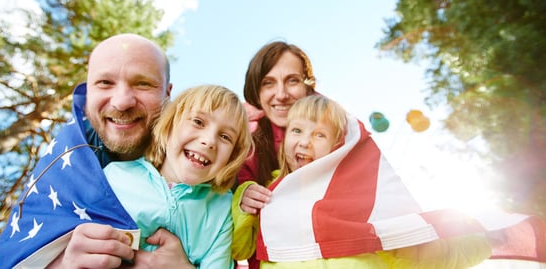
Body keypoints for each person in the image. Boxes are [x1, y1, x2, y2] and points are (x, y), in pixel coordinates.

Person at [0, 34, 194, 268]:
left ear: (167, 93)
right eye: (105, 83)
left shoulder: (208, 166)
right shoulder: (56, 171)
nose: (122, 102)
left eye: (143, 84)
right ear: (88, 93)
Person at [235, 95, 497, 268]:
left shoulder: (365, 199)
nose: (304, 141)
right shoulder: (269, 194)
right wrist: (243, 203)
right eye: (296, 130)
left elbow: (423, 254)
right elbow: (239, 248)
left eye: (319, 134)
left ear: (338, 146)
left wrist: (485, 240)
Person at [103, 85, 252, 268]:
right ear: (170, 124)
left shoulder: (221, 208)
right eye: (198, 122)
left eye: (225, 137)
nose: (209, 141)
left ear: (232, 157)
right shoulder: (116, 177)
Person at [234, 40, 317, 269]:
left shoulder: (336, 133)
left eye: (292, 81)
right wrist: (243, 196)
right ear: (256, 92)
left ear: (308, 86)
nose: (281, 94)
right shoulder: (245, 144)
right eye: (268, 83)